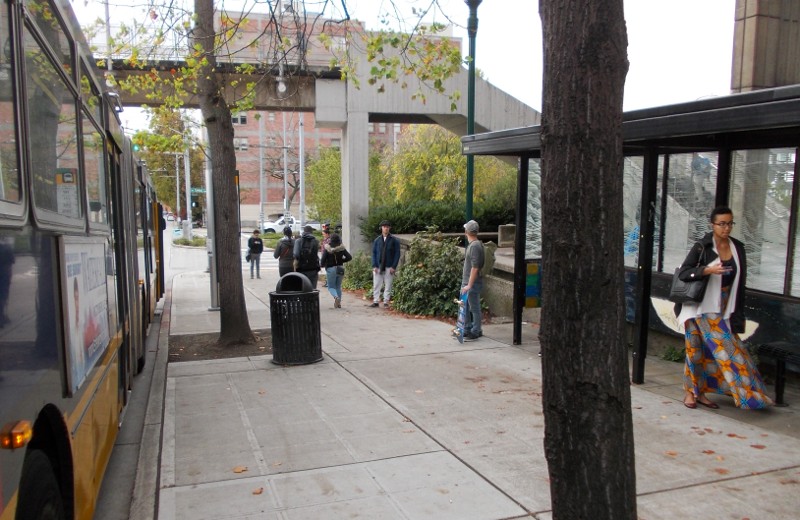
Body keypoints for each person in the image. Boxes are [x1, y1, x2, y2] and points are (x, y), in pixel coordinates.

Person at [674, 207, 772, 410]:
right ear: (713, 225)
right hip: (699, 308)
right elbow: (684, 273)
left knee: (717, 351)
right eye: (722, 224)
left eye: (730, 223)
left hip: (724, 308)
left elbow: (740, 281)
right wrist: (708, 270)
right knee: (703, 350)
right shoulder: (703, 246)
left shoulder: (738, 247)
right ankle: (692, 393)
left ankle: (701, 393)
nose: (726, 228)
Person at [460, 220, 485, 341]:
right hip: (468, 281)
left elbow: (475, 267)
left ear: (466, 232)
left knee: (474, 307)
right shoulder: (475, 244)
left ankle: (476, 330)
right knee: (466, 305)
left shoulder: (474, 246)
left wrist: (469, 285)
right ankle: (467, 328)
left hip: (471, 282)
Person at [371, 220, 400, 308]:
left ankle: (386, 302)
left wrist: (393, 266)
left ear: (389, 228)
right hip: (378, 265)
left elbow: (397, 254)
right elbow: (374, 253)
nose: (386, 228)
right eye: (384, 227)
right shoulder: (377, 240)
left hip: (389, 266)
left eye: (387, 227)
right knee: (376, 284)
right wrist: (374, 265)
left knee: (388, 284)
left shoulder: (394, 240)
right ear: (381, 228)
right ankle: (376, 301)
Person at [320, 233, 352, 308]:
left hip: (331, 269)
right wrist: (342, 261)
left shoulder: (327, 248)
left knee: (331, 287)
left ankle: (336, 297)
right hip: (340, 268)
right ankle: (339, 303)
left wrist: (323, 265)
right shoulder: (341, 248)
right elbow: (349, 257)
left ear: (331, 240)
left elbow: (322, 260)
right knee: (338, 286)